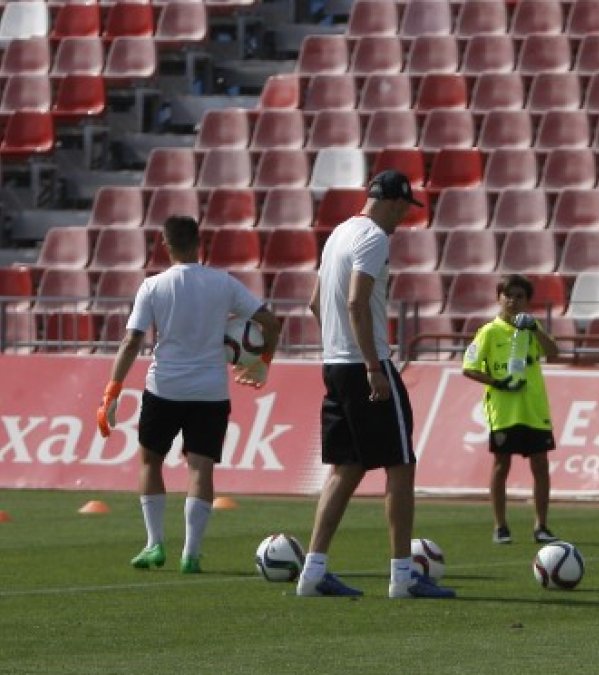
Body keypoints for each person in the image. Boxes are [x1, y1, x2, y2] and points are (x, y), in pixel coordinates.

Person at [296, 170, 454, 599]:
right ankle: (402, 576)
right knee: (401, 464)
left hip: (333, 363)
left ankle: (312, 571)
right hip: (366, 363)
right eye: (403, 207)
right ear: (388, 201)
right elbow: (355, 300)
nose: (404, 216)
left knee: (344, 469)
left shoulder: (338, 234)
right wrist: (370, 365)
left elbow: (315, 302)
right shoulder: (373, 238)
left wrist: (340, 347)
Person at [96, 215, 281, 574]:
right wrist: (263, 362)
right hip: (210, 391)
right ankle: (191, 553)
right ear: (200, 243)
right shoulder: (223, 283)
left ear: (164, 245)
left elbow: (132, 339)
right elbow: (270, 323)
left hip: (163, 387)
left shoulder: (153, 287)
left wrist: (112, 390)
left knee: (150, 462)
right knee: (201, 468)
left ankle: (154, 544)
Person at [462, 274, 561, 545]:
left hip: (533, 407)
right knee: (501, 465)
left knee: (540, 465)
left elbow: (554, 352)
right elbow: (468, 368)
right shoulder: (489, 332)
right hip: (504, 410)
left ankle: (541, 525)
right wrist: (497, 382)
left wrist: (535, 330)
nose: (513, 300)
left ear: (527, 301)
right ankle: (500, 526)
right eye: (508, 295)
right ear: (499, 298)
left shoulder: (531, 327)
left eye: (519, 296)